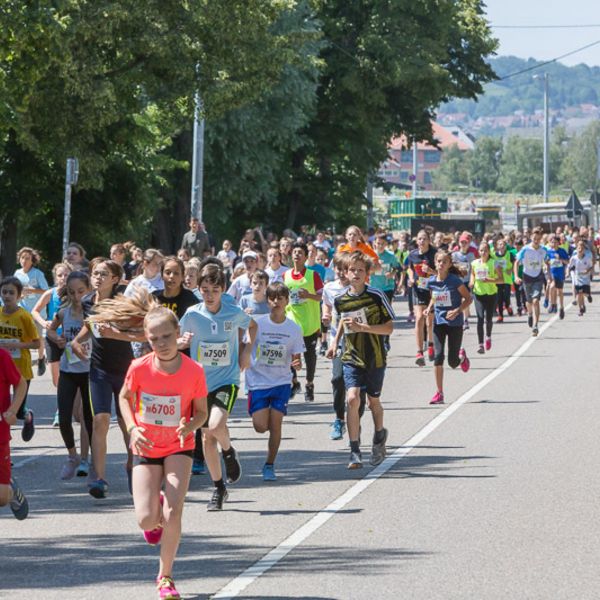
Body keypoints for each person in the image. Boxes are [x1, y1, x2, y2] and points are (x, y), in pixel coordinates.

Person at [119, 305, 208, 600]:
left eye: (167, 336)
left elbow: (202, 413)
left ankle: (165, 577)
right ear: (147, 339)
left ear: (178, 334)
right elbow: (124, 397)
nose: (161, 344)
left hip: (179, 446)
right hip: (146, 444)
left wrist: (190, 425)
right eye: (154, 339)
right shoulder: (140, 367)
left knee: (174, 512)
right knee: (146, 520)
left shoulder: (194, 371)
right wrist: (132, 427)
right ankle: (154, 508)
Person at [180, 264, 256, 511]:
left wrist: (246, 351)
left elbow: (252, 326)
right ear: (198, 289)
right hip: (199, 383)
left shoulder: (232, 312)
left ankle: (229, 451)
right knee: (205, 437)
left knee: (214, 425)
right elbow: (178, 338)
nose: (210, 295)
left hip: (227, 379)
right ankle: (219, 488)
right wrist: (182, 341)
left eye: (215, 289)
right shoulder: (192, 314)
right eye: (205, 290)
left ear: (223, 289)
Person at [71, 259, 140, 499]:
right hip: (98, 370)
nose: (98, 277)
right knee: (100, 420)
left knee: (125, 424)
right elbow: (90, 326)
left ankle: (132, 464)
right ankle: (99, 478)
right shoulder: (88, 301)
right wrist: (76, 341)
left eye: (104, 274)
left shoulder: (124, 303)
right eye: (95, 273)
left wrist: (115, 334)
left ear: (115, 279)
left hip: (125, 370)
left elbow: (141, 335)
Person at [327, 251, 394, 469]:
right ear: (345, 273)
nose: (355, 273)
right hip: (351, 356)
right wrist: (333, 343)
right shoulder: (340, 300)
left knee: (373, 401)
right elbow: (342, 323)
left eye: (360, 270)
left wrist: (364, 328)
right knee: (352, 399)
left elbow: (389, 328)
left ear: (367, 274)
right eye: (352, 270)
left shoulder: (376, 296)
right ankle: (354, 450)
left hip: (375, 357)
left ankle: (379, 436)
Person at [246, 283, 304, 481]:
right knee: (261, 427)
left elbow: (297, 358)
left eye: (280, 298)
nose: (276, 302)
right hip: (258, 381)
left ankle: (269, 465)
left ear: (287, 301)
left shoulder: (294, 328)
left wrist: (297, 364)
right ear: (267, 301)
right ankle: (267, 421)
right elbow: (245, 345)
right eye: (272, 298)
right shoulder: (257, 323)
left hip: (281, 382)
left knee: (276, 424)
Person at [47, 271, 94, 480]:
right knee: (64, 419)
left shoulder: (93, 313)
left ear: (89, 290)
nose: (77, 296)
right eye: (72, 292)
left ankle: (85, 459)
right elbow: (50, 330)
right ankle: (72, 456)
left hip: (90, 371)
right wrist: (56, 338)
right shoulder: (63, 312)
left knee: (88, 418)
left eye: (81, 292)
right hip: (68, 370)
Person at [424, 250, 472, 405]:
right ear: (435, 263)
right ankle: (439, 393)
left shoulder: (454, 281)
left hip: (455, 323)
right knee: (438, 357)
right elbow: (434, 296)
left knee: (452, 362)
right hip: (439, 322)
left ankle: (461, 357)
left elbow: (468, 299)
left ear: (449, 264)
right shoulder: (431, 281)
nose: (441, 264)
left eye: (444, 261)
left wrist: (457, 310)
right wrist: (429, 308)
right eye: (438, 261)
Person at [0, 277, 40, 442]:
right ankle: (5, 448)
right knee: (4, 410)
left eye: (11, 292)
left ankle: (28, 416)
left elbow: (37, 343)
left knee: (16, 410)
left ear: (19, 296)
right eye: (4, 292)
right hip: (2, 368)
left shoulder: (24, 316)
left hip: (20, 367)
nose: (7, 296)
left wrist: (17, 345)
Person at [283, 242, 323, 402]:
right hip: (292, 323)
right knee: (288, 355)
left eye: (300, 252)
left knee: (310, 357)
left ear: (306, 256)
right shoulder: (285, 275)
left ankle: (309, 384)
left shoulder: (312, 275)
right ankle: (294, 381)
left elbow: (321, 296)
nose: (297, 255)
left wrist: (309, 295)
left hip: (310, 324)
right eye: (294, 252)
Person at [0, 347, 29, 520]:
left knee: (2, 498)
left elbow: (21, 383)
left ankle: (11, 489)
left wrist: (12, 410)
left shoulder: (2, 356)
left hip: (0, 435)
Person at [14, 246, 48, 376]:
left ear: (32, 261)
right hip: (23, 311)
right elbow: (14, 288)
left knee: (37, 337)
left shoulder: (38, 274)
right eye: (22, 258)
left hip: (37, 312)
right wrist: (19, 295)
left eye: (27, 258)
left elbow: (46, 291)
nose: (24, 260)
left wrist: (32, 290)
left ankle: (40, 359)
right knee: (22, 336)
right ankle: (23, 360)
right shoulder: (17, 273)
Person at [406, 230, 437, 365]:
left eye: (424, 239)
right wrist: (411, 278)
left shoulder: (435, 254)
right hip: (418, 289)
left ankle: (431, 344)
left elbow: (442, 272)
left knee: (430, 321)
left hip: (432, 290)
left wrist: (431, 272)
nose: (421, 241)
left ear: (429, 240)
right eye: (419, 239)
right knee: (419, 318)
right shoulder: (412, 255)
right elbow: (409, 268)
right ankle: (419, 352)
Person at [514, 227, 548, 337]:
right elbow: (516, 262)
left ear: (541, 239)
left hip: (538, 277)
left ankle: (536, 325)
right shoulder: (525, 249)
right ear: (531, 238)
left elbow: (547, 261)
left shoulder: (543, 250)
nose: (536, 240)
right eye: (534, 238)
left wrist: (547, 268)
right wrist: (516, 276)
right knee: (528, 302)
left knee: (535, 301)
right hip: (526, 277)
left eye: (538, 239)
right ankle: (529, 314)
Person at [470, 242, 502, 354]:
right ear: (478, 252)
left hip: (491, 294)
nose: (483, 253)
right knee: (479, 319)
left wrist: (489, 280)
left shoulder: (494, 263)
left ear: (489, 252)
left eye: (485, 250)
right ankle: (480, 345)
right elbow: (473, 274)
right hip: (478, 294)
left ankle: (488, 336)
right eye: (481, 250)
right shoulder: (474, 263)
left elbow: (501, 279)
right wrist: (471, 282)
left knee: (488, 319)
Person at [451, 233, 476, 330]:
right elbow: (452, 267)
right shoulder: (455, 254)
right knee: (458, 300)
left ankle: (465, 319)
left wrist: (472, 280)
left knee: (465, 300)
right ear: (459, 243)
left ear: (469, 243)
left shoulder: (471, 255)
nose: (463, 244)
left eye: (466, 242)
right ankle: (458, 317)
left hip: (467, 281)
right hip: (457, 281)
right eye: (462, 242)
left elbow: (473, 268)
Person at [370, 234, 400, 304]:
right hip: (374, 288)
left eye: (382, 244)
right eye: (378, 243)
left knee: (386, 311)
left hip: (387, 288)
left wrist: (392, 273)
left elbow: (396, 268)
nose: (380, 246)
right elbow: (366, 271)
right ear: (374, 243)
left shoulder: (391, 255)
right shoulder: (370, 255)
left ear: (386, 243)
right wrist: (376, 267)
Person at [545, 235, 569, 319]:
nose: (554, 244)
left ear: (559, 243)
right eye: (552, 242)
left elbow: (567, 262)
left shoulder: (562, 251)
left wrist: (560, 259)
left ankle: (561, 307)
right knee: (551, 287)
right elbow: (546, 263)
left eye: (555, 242)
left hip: (560, 274)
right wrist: (547, 271)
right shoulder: (548, 252)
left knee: (560, 292)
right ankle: (553, 304)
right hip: (552, 274)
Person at [569, 240, 594, 316]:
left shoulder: (587, 257)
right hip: (578, 279)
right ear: (576, 249)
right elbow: (569, 267)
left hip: (586, 280)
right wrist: (567, 272)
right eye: (579, 248)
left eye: (582, 248)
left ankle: (588, 296)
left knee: (584, 293)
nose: (580, 250)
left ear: (584, 250)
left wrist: (587, 271)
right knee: (579, 293)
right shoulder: (574, 258)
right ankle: (581, 309)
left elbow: (591, 267)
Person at [492, 238, 514, 323]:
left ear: (505, 246)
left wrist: (511, 269)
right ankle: (500, 316)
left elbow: (515, 263)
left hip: (507, 280)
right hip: (498, 279)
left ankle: (508, 306)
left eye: (503, 245)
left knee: (506, 297)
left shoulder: (509, 254)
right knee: (499, 298)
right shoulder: (493, 255)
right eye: (500, 244)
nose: (502, 246)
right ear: (497, 246)